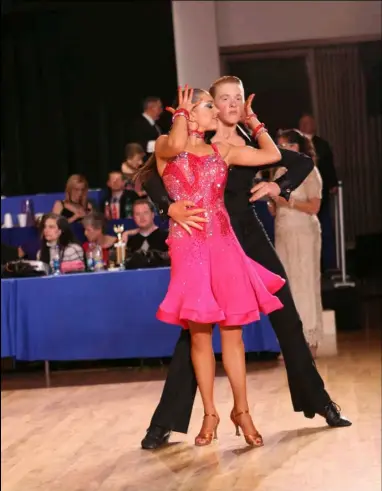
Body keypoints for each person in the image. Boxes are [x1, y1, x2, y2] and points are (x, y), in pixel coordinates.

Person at [140, 76, 351, 450]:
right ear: (212, 105)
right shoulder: (194, 144)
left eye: (238, 97)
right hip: (204, 241)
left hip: (247, 236)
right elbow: (153, 177)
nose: (233, 103)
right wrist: (167, 206)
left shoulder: (243, 145)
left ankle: (319, 402)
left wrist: (277, 187)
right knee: (194, 333)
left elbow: (299, 162)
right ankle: (166, 422)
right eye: (224, 98)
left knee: (287, 316)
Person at [152, 85, 285, 447]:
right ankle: (210, 411)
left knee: (233, 332)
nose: (217, 111)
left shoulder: (221, 150)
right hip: (188, 245)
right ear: (191, 113)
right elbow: (177, 146)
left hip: (223, 242)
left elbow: (271, 154)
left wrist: (252, 121)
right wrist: (180, 115)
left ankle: (242, 410)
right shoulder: (166, 144)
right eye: (209, 105)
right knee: (199, 334)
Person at [270, 130, 324, 358]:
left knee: (305, 283)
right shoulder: (279, 171)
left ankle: (309, 340)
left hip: (304, 232)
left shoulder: (308, 169)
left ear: (297, 146)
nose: (282, 148)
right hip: (283, 232)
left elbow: (314, 206)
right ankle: (291, 342)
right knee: (287, 285)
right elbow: (276, 208)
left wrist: (287, 202)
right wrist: (272, 203)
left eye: (286, 145)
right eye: (280, 144)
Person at [298, 114, 338, 271]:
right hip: (300, 194)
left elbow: (329, 165)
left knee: (325, 227)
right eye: (303, 123)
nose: (306, 125)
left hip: (320, 193)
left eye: (309, 122)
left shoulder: (322, 144)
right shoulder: (297, 143)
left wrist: (333, 183)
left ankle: (329, 264)